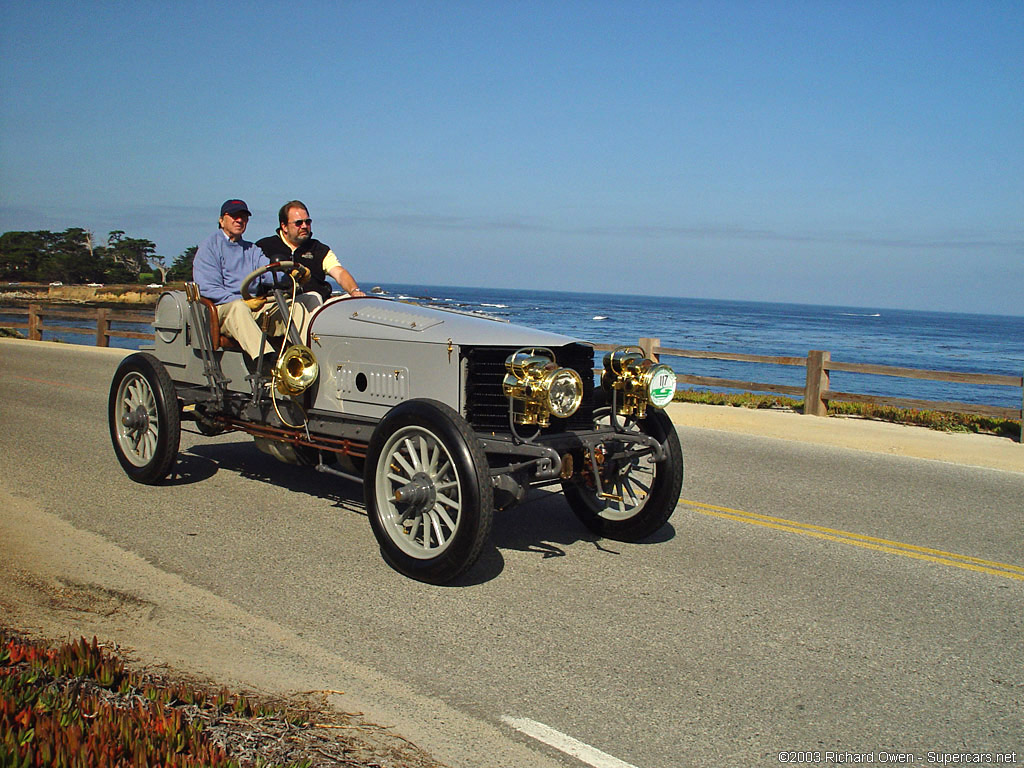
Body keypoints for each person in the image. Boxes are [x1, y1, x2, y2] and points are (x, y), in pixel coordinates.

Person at [192, 199, 310, 363]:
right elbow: (207, 288)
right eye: (234, 216)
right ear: (221, 220)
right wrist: (243, 302)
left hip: (252, 306)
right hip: (223, 309)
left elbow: (268, 273)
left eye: (243, 217)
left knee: (295, 307)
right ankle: (266, 359)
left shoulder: (252, 250)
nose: (239, 220)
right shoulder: (210, 247)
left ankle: (307, 358)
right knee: (238, 308)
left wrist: (290, 276)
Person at [256, 200, 364, 302]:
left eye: (307, 222)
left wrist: (354, 291)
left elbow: (339, 273)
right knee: (313, 297)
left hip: (318, 308)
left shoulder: (319, 249)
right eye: (298, 223)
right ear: (284, 226)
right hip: (281, 306)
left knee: (349, 302)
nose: (304, 226)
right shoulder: (264, 247)